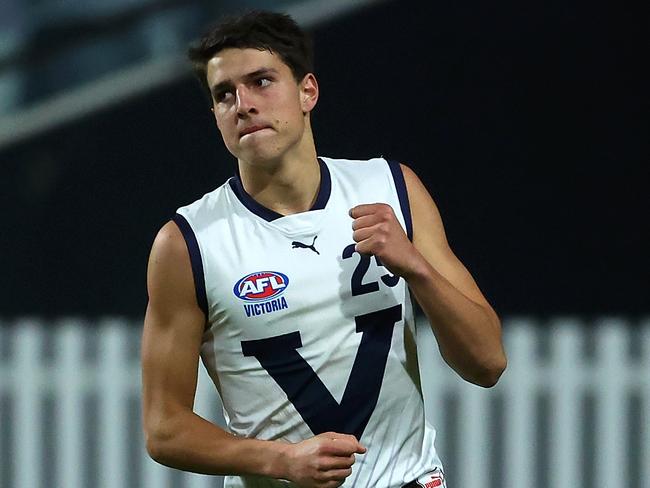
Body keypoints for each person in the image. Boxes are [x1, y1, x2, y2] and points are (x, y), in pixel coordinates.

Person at [141, 10, 506, 488]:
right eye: (224, 94)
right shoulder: (188, 241)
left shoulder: (391, 189)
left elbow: (487, 363)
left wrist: (416, 269)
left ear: (307, 91)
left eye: (261, 81)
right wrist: (280, 461)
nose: (243, 104)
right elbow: (164, 429)